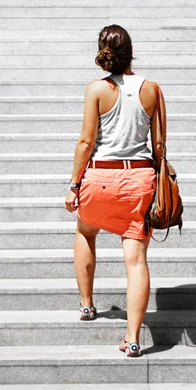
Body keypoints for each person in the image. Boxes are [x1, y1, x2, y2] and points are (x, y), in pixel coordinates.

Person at [64, 24, 165, 357]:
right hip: (139, 181)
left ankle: (87, 305)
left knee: (86, 230)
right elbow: (160, 146)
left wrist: (74, 184)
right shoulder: (152, 89)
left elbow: (85, 142)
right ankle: (133, 338)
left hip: (100, 179)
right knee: (136, 260)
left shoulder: (96, 89)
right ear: (131, 50)